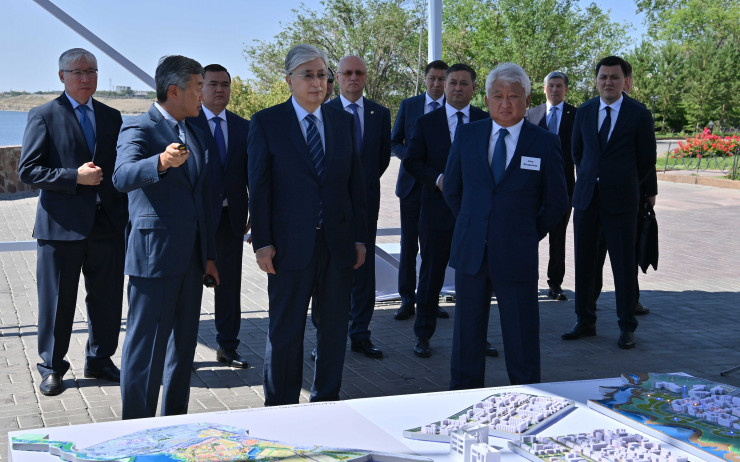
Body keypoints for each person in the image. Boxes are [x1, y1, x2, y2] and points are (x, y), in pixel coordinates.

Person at [248, 44, 368, 406]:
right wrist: (262, 242)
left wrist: (360, 238)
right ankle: (280, 407)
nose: (318, 83)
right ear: (289, 80)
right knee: (285, 331)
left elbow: (355, 185)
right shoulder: (267, 122)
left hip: (337, 245)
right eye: (308, 76)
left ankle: (326, 401)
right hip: (288, 247)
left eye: (322, 75)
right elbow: (259, 188)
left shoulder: (343, 121)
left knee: (334, 330)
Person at [444, 63, 568, 388]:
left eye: (514, 95)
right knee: (467, 335)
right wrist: (474, 225)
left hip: (517, 252)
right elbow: (453, 189)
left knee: (521, 335)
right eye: (498, 95)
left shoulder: (544, 143)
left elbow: (556, 201)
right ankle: (463, 396)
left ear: (527, 100)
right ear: (486, 100)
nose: (505, 103)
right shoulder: (468, 135)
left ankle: (528, 396)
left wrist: (527, 232)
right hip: (472, 251)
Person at [113, 55, 219, 419]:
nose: (204, 95)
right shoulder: (138, 127)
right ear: (174, 91)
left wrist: (208, 256)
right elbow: (122, 177)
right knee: (147, 349)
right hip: (154, 257)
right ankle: (136, 427)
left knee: (183, 349)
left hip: (191, 259)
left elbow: (202, 200)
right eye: (198, 87)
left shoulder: (195, 132)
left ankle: (174, 423)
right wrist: (159, 162)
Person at [18, 48, 128, 397]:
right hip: (61, 227)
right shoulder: (44, 115)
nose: (85, 77)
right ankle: (52, 367)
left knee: (107, 299)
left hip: (107, 223)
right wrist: (73, 177)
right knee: (57, 302)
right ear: (61, 76)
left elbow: (122, 166)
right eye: (78, 71)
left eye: (91, 71)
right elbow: (28, 170)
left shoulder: (112, 116)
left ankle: (100, 359)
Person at [563, 55, 657, 349]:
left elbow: (647, 159)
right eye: (603, 77)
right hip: (587, 200)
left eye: (614, 77)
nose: (608, 82)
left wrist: (623, 181)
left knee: (623, 266)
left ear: (625, 81)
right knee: (585, 264)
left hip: (621, 202)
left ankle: (627, 326)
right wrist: (593, 178)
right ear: (596, 81)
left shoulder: (638, 113)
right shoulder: (585, 111)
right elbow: (578, 152)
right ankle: (585, 321)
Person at [403, 63, 488, 358]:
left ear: (474, 88)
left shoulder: (486, 121)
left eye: (464, 83)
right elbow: (412, 161)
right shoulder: (426, 123)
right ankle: (423, 334)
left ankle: (478, 337)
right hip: (436, 211)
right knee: (431, 275)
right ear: (444, 86)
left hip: (475, 213)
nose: (457, 88)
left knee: (477, 278)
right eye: (453, 83)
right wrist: (438, 179)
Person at [326, 55, 391, 359]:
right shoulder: (323, 112)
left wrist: (361, 187)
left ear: (365, 77)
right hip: (331, 205)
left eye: (359, 73)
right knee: (331, 272)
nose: (354, 78)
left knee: (364, 269)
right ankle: (329, 339)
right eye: (348, 73)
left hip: (366, 202)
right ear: (338, 77)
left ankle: (361, 334)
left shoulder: (380, 113)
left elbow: (381, 159)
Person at [189, 64, 251, 368]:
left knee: (229, 286)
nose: (219, 90)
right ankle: (183, 351)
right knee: (189, 288)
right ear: (200, 88)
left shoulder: (244, 126)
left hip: (231, 219)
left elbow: (254, 174)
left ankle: (228, 346)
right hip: (195, 221)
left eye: (225, 84)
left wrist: (254, 211)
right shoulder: (187, 123)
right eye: (213, 84)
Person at [391, 60, 449, 321]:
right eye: (432, 78)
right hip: (411, 186)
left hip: (438, 187)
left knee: (433, 247)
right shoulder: (409, 105)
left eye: (441, 79)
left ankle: (430, 299)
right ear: (425, 79)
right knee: (408, 245)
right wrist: (412, 158)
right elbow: (394, 141)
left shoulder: (453, 108)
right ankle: (407, 299)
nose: (436, 83)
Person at [525, 71, 576, 301]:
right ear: (544, 89)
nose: (555, 90)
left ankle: (555, 284)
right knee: (529, 233)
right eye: (551, 86)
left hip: (563, 186)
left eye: (559, 86)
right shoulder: (531, 114)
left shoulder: (576, 115)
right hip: (533, 187)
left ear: (566, 89)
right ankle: (527, 279)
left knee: (558, 237)